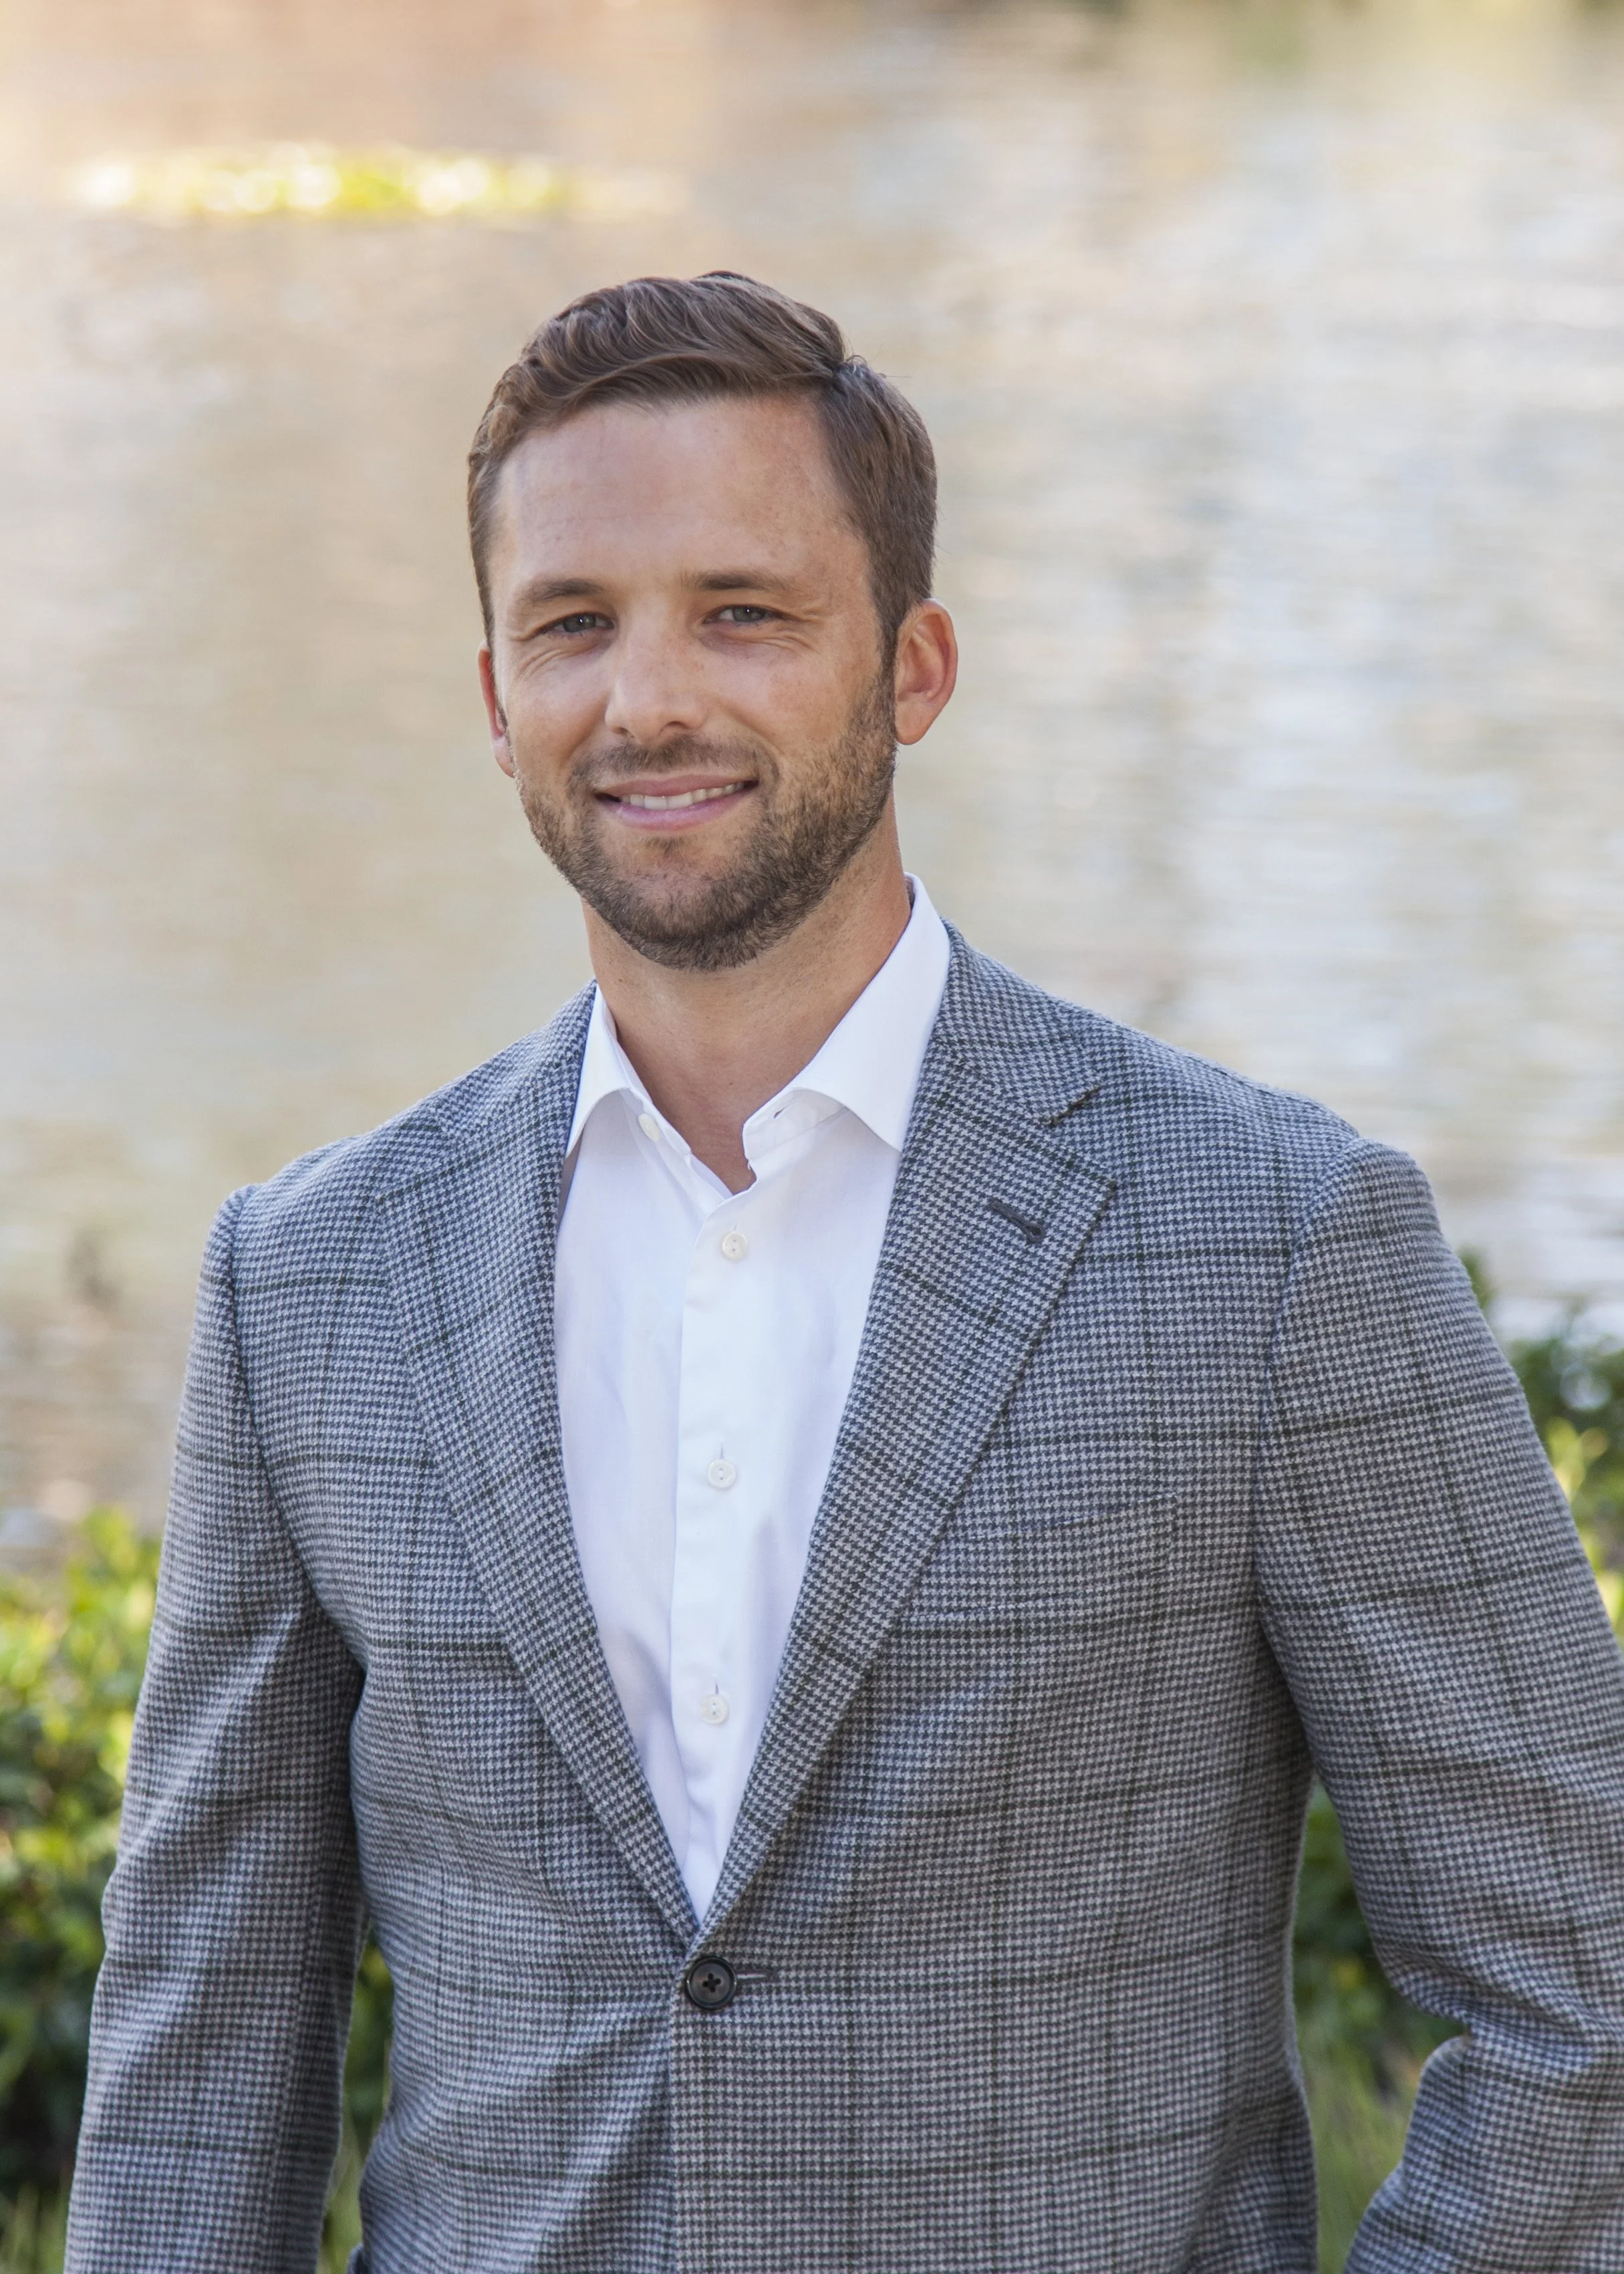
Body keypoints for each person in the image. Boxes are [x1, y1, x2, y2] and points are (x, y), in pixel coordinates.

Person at [67, 272, 1624, 2273]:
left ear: (913, 667)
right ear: (493, 697)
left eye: (744, 611)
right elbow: (204, 2052)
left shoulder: (1269, 1241)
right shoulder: (313, 1284)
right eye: (572, 623)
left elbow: (1579, 1984)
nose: (647, 700)